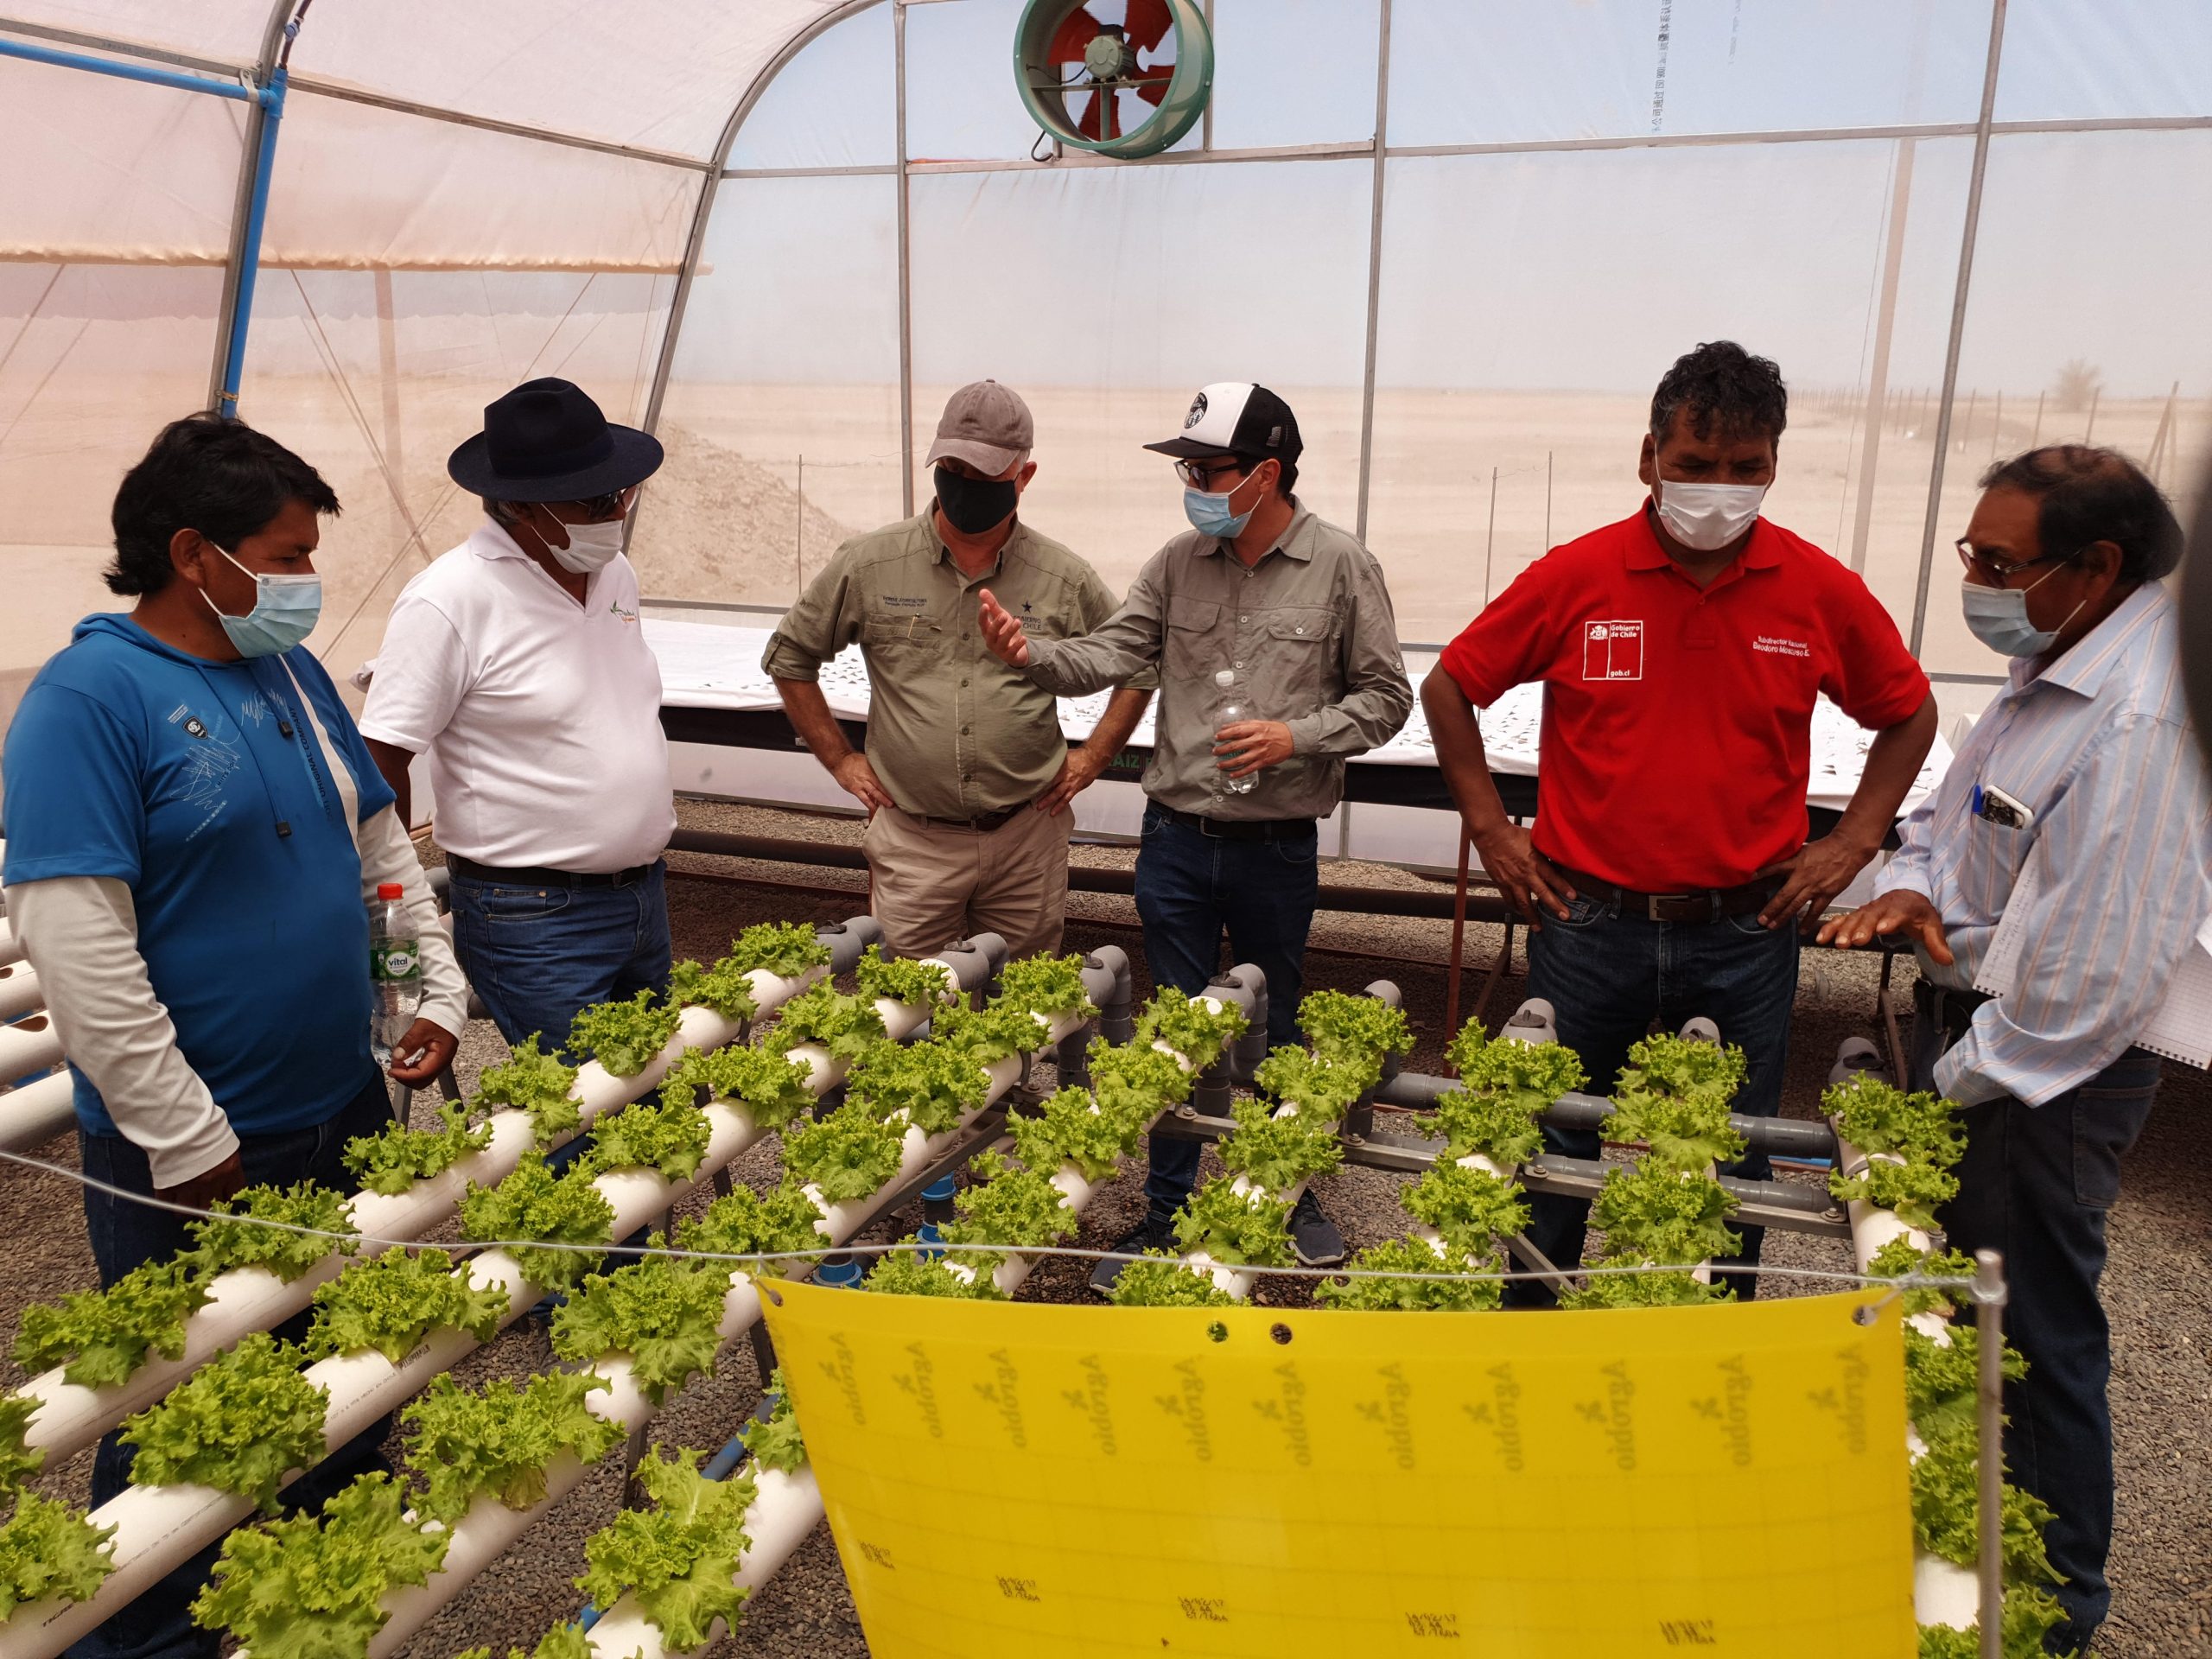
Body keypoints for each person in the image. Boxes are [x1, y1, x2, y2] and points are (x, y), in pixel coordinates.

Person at [1, 414, 467, 1659]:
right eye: (287, 553)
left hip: (339, 1106)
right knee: (182, 1418)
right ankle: (142, 1638)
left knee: (336, 1382)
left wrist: (432, 988)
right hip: (202, 1153)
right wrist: (180, 1129)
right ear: (194, 552)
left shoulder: (290, 675)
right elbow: (76, 942)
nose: (307, 580)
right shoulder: (91, 699)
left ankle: (311, 1615)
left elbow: (376, 848)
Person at [1421, 341, 1937, 1304]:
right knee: (1554, 1141)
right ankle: (1526, 1329)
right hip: (1589, 921)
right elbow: (1451, 685)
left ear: (1774, 466)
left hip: (1747, 928)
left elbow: (1907, 710)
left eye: (1747, 469)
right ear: (1649, 456)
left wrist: (1855, 838)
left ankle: (1711, 1350)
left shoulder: (1816, 588)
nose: (1719, 489)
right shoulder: (1578, 574)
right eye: (1695, 464)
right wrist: (1493, 830)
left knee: (1733, 1162)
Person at [1821, 446, 2209, 1655]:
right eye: (1971, 554)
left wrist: (1941, 1089)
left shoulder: (2140, 713)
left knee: (2032, 1326)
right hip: (1992, 1027)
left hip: (2048, 1075)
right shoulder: (2052, 663)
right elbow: (1941, 817)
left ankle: (2050, 1614)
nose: (1977, 580)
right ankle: (1960, 1549)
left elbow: (2091, 979)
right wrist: (1913, 892)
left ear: (2095, 568)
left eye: (2000, 562)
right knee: (1974, 1309)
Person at [976, 382, 1414, 1285]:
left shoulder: (1340, 566)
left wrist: (1298, 735)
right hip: (1175, 842)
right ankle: (1167, 1211)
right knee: (1173, 1038)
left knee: (1274, 1030)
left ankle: (1284, 1194)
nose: (1192, 482)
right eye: (1187, 467)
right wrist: (1036, 655)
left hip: (1275, 847)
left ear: (1265, 472)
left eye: (1206, 467)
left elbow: (1386, 698)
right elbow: (1115, 650)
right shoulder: (1179, 562)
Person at [765, 380, 1152, 958]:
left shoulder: (1061, 575)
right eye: (953, 467)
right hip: (915, 841)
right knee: (905, 1015)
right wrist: (841, 758)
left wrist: (1094, 756)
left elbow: (1139, 660)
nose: (966, 486)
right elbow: (790, 657)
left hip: (1027, 839)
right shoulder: (872, 563)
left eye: (988, 475)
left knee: (1023, 1015)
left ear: (1026, 475)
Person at [361, 378, 674, 1058]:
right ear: (521, 509)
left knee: (655, 1106)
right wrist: (396, 924)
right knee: (587, 1124)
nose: (616, 511)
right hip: (533, 916)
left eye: (621, 492)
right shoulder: (449, 599)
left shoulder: (614, 573)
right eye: (594, 500)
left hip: (643, 897)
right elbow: (383, 757)